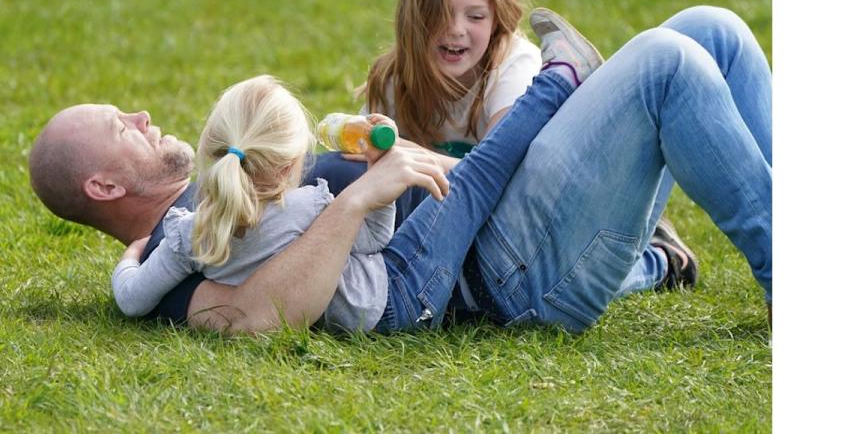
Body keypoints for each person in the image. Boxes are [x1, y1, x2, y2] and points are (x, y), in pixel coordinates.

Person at [30, 1, 771, 333]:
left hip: (496, 212)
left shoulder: (211, 191)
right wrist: (359, 201)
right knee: (667, 63)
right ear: (105, 186)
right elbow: (256, 319)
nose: (138, 116)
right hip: (503, 269)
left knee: (714, 30)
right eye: (115, 127)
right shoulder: (174, 259)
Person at [308, 0, 695, 299]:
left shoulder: (515, 67)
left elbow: (497, 176)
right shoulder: (396, 79)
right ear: (413, 18)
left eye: (475, 16)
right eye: (439, 14)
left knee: (559, 279)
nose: (455, 30)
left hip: (528, 222)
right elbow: (366, 162)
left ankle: (660, 260)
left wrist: (405, 156)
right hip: (455, 223)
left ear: (497, 20)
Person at [108, 62, 576, 332]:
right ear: (294, 164)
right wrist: (378, 183)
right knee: (475, 181)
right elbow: (374, 241)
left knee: (477, 190)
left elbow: (131, 299)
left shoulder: (189, 236)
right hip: (398, 296)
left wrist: (131, 258)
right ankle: (556, 82)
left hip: (383, 308)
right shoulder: (310, 206)